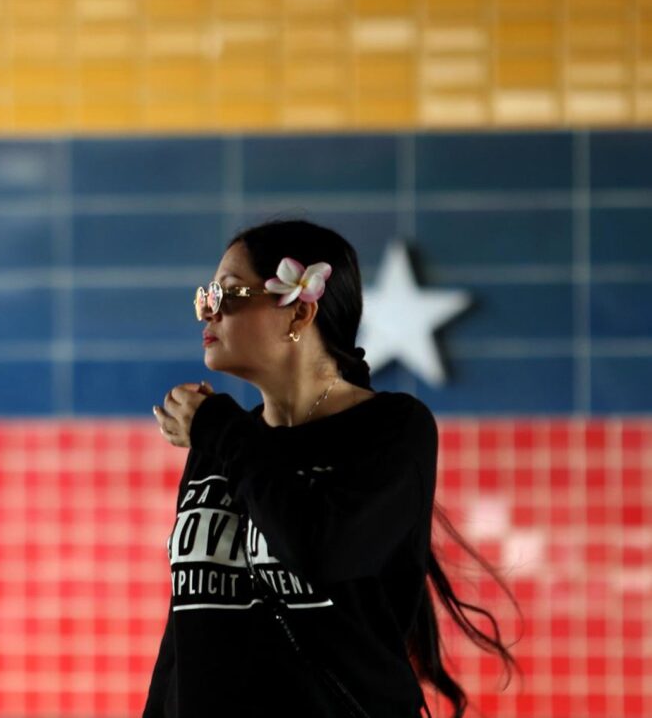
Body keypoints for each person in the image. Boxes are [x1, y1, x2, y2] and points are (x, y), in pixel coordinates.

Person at [144, 219, 518, 718]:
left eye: (229, 294)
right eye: (206, 295)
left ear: (299, 312)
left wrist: (219, 429)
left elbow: (320, 549)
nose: (208, 311)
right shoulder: (221, 442)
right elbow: (185, 633)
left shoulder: (392, 430)